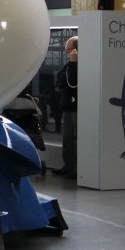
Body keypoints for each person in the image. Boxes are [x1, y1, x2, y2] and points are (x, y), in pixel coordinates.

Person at [53, 36, 78, 178]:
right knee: (67, 137)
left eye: (68, 50)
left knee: (75, 137)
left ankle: (76, 168)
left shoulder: (76, 65)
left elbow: (71, 82)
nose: (66, 52)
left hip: (75, 106)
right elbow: (60, 80)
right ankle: (68, 165)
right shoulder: (68, 65)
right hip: (67, 106)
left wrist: (74, 63)